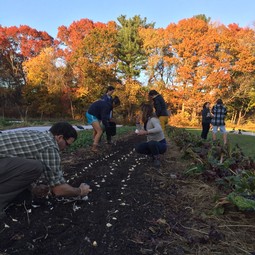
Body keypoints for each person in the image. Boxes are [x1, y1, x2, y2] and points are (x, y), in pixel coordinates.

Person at [0, 122, 92, 217]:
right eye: (67, 144)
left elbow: (18, 165)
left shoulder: (38, 136)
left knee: (25, 197)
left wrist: (33, 187)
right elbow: (58, 189)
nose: (66, 149)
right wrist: (80, 191)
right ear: (60, 137)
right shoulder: (50, 146)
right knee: (36, 167)